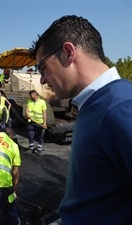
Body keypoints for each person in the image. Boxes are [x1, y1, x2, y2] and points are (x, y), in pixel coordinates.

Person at [30, 15, 132, 225]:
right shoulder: (93, 104)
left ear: (68, 52)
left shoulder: (120, 109)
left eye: (42, 67)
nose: (41, 79)